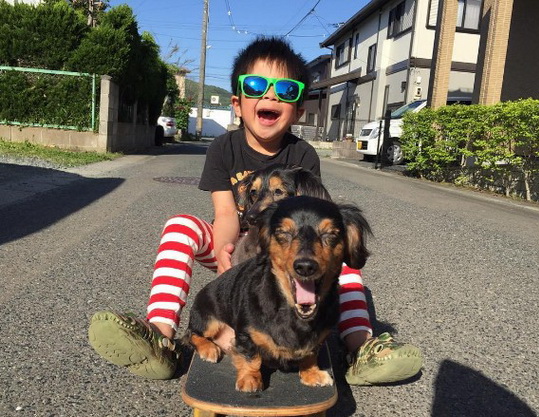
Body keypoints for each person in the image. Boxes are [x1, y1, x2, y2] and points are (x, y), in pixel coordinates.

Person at [88, 36, 423, 386]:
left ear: (299, 110)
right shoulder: (223, 147)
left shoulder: (303, 155)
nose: (271, 96)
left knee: (342, 259)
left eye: (286, 90)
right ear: (237, 103)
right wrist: (224, 252)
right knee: (180, 225)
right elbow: (226, 213)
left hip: (286, 247)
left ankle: (360, 347)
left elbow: (310, 220)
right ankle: (161, 336)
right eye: (256, 86)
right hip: (234, 243)